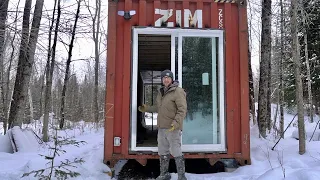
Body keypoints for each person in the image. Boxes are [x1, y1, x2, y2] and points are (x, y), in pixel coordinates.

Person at [138, 69, 187, 180]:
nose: (166, 79)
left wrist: (175, 123)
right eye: (164, 78)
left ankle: (181, 176)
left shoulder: (177, 91)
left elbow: (182, 110)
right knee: (162, 151)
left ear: (172, 79)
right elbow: (159, 108)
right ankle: (164, 174)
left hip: (173, 127)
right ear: (162, 80)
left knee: (176, 151)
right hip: (162, 127)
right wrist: (147, 108)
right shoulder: (161, 92)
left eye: (168, 77)